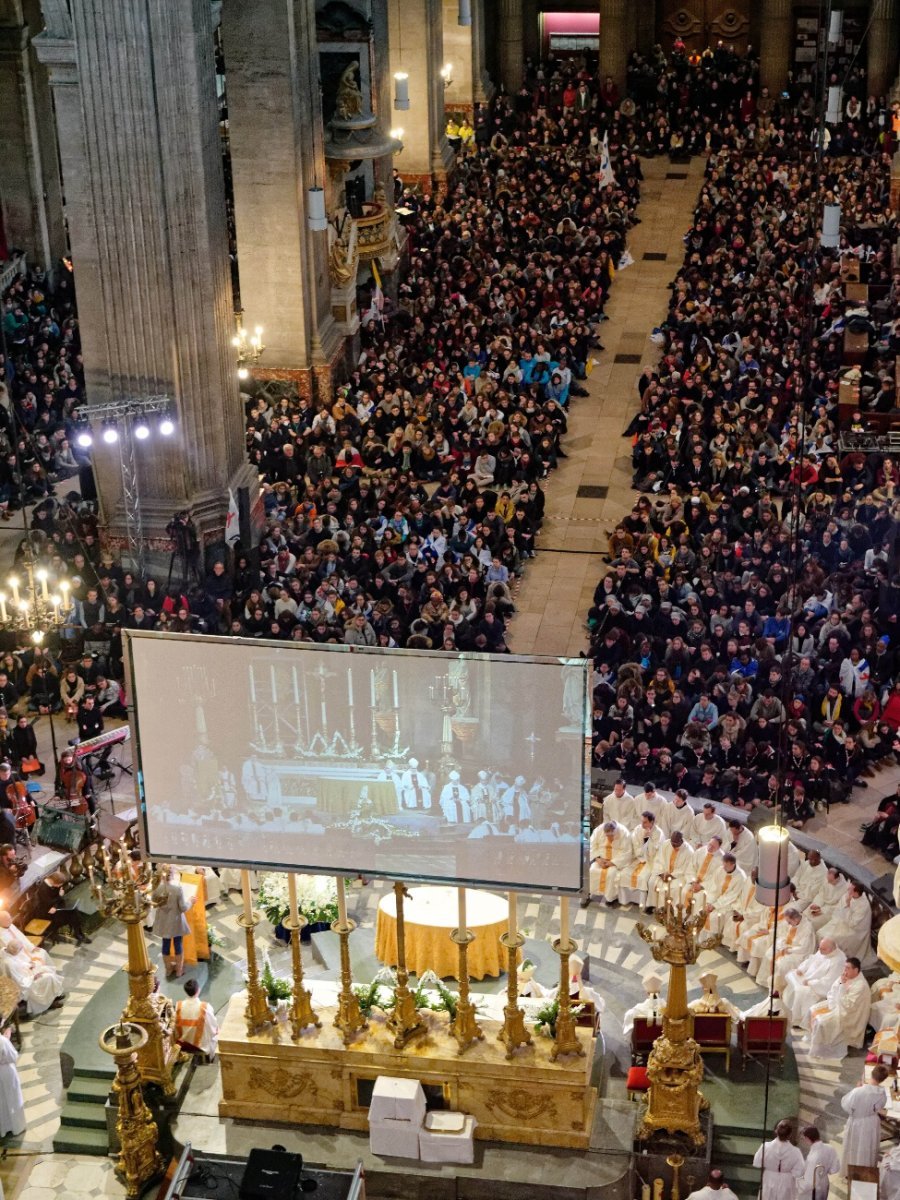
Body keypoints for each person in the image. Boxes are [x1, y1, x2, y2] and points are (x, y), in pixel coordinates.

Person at [0, 911, 64, 1014]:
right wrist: (34, 976)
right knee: (47, 975)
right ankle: (49, 1002)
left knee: (44, 960)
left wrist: (31, 951)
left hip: (26, 967)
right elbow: (19, 981)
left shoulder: (10, 954)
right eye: (7, 920)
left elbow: (21, 938)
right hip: (26, 982)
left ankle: (55, 993)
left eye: (9, 918)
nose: (10, 921)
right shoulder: (8, 962)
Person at [806, 957, 871, 1058]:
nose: (844, 971)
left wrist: (842, 986)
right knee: (813, 1009)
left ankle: (822, 1050)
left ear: (856, 970)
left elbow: (848, 1005)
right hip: (837, 1005)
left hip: (850, 1016)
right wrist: (840, 985)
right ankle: (814, 1040)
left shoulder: (860, 985)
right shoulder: (845, 977)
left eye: (847, 968)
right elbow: (832, 992)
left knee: (822, 1021)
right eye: (845, 967)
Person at [782, 939, 846, 1031]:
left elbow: (828, 981)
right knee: (791, 975)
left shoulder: (838, 961)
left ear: (832, 949)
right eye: (819, 948)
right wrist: (802, 969)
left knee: (801, 991)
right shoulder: (823, 950)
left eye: (823, 949)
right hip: (807, 976)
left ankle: (798, 1020)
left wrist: (810, 983)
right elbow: (811, 959)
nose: (820, 951)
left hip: (817, 986)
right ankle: (788, 1008)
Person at [839, 1065, 889, 1172]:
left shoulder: (858, 1091)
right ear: (883, 1080)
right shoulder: (882, 1093)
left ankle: (853, 1171)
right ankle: (866, 1170)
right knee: (867, 1148)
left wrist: (856, 1088)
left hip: (858, 1122)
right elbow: (879, 1107)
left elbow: (847, 1106)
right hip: (871, 1122)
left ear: (871, 1074)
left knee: (855, 1147)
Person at [152, 864, 194, 979]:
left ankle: (168, 969)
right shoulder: (177, 889)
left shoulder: (157, 888)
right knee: (178, 943)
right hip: (175, 920)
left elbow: (154, 903)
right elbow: (183, 908)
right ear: (172, 874)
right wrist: (191, 901)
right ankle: (179, 970)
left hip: (163, 920)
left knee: (165, 944)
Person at [753, 1121, 805, 1200]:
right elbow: (800, 1171)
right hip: (786, 1181)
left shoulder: (766, 1147)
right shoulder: (795, 1151)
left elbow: (757, 1162)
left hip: (769, 1178)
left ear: (776, 1131)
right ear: (790, 1135)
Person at [174, 978, 219, 1059]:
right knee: (216, 1034)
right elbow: (213, 1028)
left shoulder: (178, 1005)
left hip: (183, 1044)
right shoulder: (205, 1007)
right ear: (198, 990)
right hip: (200, 1046)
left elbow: (174, 1027)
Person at [798, 1127, 840, 1200]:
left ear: (807, 1138)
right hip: (824, 1183)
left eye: (803, 1138)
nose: (804, 1141)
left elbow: (808, 1183)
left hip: (813, 1192)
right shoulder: (830, 1147)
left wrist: (796, 1183)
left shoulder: (813, 1158)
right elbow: (835, 1168)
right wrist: (824, 1172)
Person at [0, 1025, 24, 1138]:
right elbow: (13, 1056)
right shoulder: (2, 1041)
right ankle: (15, 1126)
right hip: (5, 1072)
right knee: (12, 1099)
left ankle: (2, 1129)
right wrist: (7, 1039)